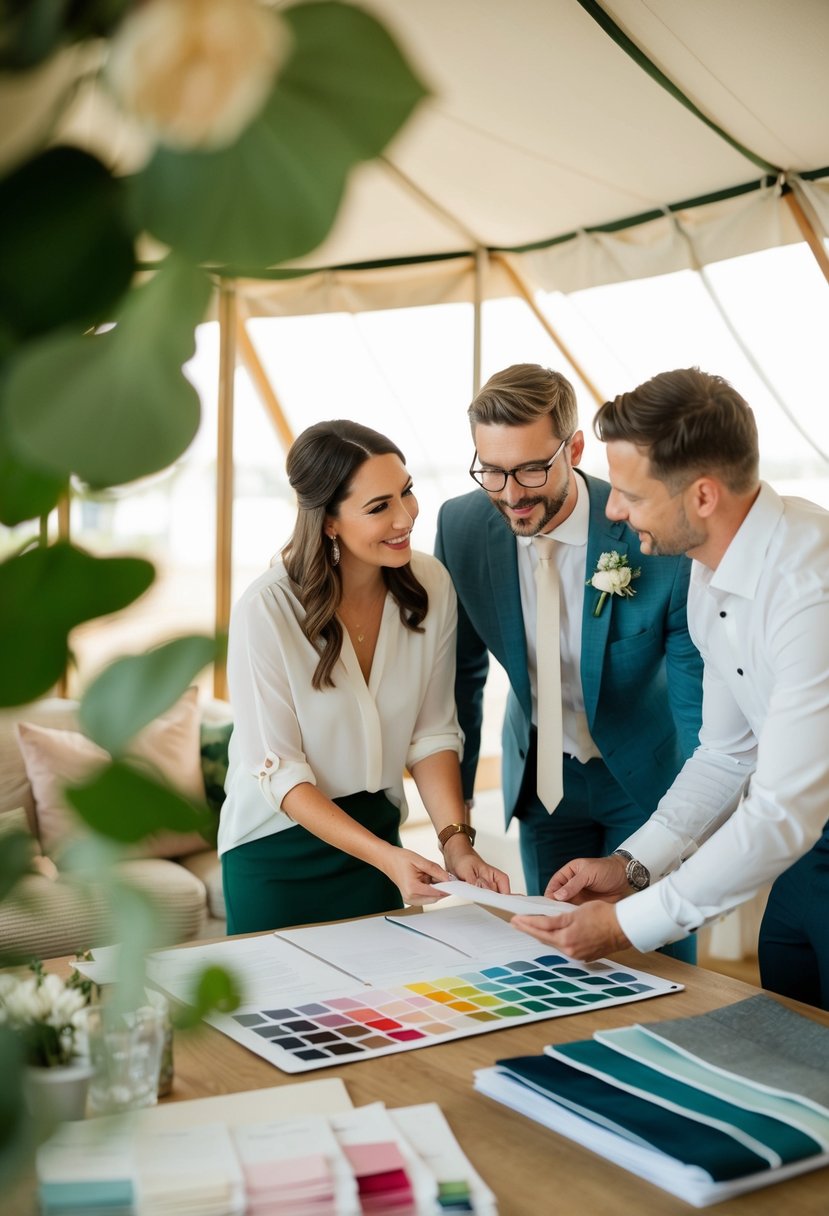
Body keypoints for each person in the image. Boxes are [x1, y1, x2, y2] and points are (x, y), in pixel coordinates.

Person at [513, 367, 829, 1010]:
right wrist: (631, 865)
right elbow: (725, 753)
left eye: (631, 493)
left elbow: (779, 812)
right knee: (791, 1041)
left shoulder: (809, 591)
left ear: (703, 497)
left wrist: (627, 924)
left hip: (799, 824)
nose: (613, 511)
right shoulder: (708, 572)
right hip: (806, 859)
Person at [435, 364, 703, 962]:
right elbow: (461, 675)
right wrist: (460, 811)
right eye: (493, 470)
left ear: (575, 448)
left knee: (656, 963)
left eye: (531, 468)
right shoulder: (461, 526)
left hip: (646, 782)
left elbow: (696, 704)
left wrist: (686, 827)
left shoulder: (649, 529)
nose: (510, 493)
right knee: (559, 957)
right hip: (543, 785)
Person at [220, 419, 510, 933]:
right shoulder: (266, 609)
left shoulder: (430, 584)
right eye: (379, 507)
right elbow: (280, 771)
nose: (405, 518)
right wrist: (386, 858)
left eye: (407, 493)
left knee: (390, 1008)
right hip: (276, 852)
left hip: (378, 836)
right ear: (329, 521)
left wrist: (456, 843)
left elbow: (432, 733)